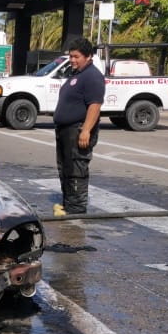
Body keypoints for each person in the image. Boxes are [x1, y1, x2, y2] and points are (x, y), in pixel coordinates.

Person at [52, 38, 105, 216]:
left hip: (78, 129)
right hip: (66, 130)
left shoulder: (92, 76)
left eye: (76, 56)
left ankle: (76, 209)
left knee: (76, 169)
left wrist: (86, 130)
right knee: (65, 167)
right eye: (71, 56)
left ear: (88, 56)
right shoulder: (77, 74)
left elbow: (95, 105)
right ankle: (68, 204)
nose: (72, 60)